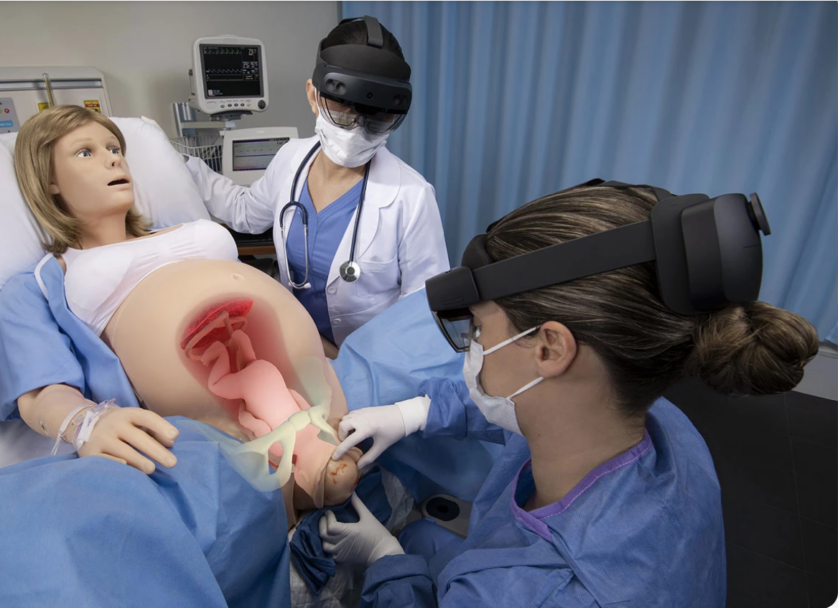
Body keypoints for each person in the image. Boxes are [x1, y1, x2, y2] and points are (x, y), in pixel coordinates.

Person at [322, 181, 819, 607]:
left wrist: (386, 565)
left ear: (550, 347)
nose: (473, 346)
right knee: (427, 537)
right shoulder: (657, 427)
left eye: (478, 328)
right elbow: (515, 414)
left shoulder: (538, 593)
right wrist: (418, 412)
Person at [0, 105, 360, 516]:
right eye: (85, 152)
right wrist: (86, 424)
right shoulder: (41, 282)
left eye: (114, 147)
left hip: (321, 382)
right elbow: (39, 391)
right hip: (219, 434)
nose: (114, 157)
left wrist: (322, 347)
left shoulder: (181, 224)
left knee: (427, 334)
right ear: (49, 180)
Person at [185, 16, 449, 357]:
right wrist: (187, 168)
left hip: (370, 364)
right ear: (313, 95)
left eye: (377, 119)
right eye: (343, 112)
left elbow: (420, 315)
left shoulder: (411, 197)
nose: (357, 132)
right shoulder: (291, 159)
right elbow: (246, 213)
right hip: (293, 346)